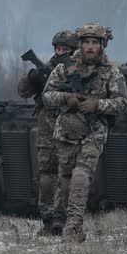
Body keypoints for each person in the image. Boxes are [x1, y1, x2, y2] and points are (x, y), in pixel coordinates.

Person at [42, 23, 127, 241]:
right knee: (65, 180)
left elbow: (122, 103)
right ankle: (59, 220)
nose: (90, 47)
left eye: (95, 43)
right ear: (80, 44)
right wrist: (66, 98)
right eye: (86, 42)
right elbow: (47, 96)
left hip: (94, 131)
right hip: (66, 131)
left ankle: (73, 228)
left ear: (102, 45)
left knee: (80, 176)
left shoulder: (111, 73)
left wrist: (97, 105)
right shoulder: (64, 69)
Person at [17, 30, 77, 235]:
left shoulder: (78, 70)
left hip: (70, 126)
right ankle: (48, 219)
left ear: (73, 50)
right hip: (46, 126)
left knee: (67, 174)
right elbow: (23, 91)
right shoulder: (47, 68)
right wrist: (31, 78)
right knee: (47, 173)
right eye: (58, 48)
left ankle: (62, 217)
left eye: (65, 49)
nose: (60, 52)